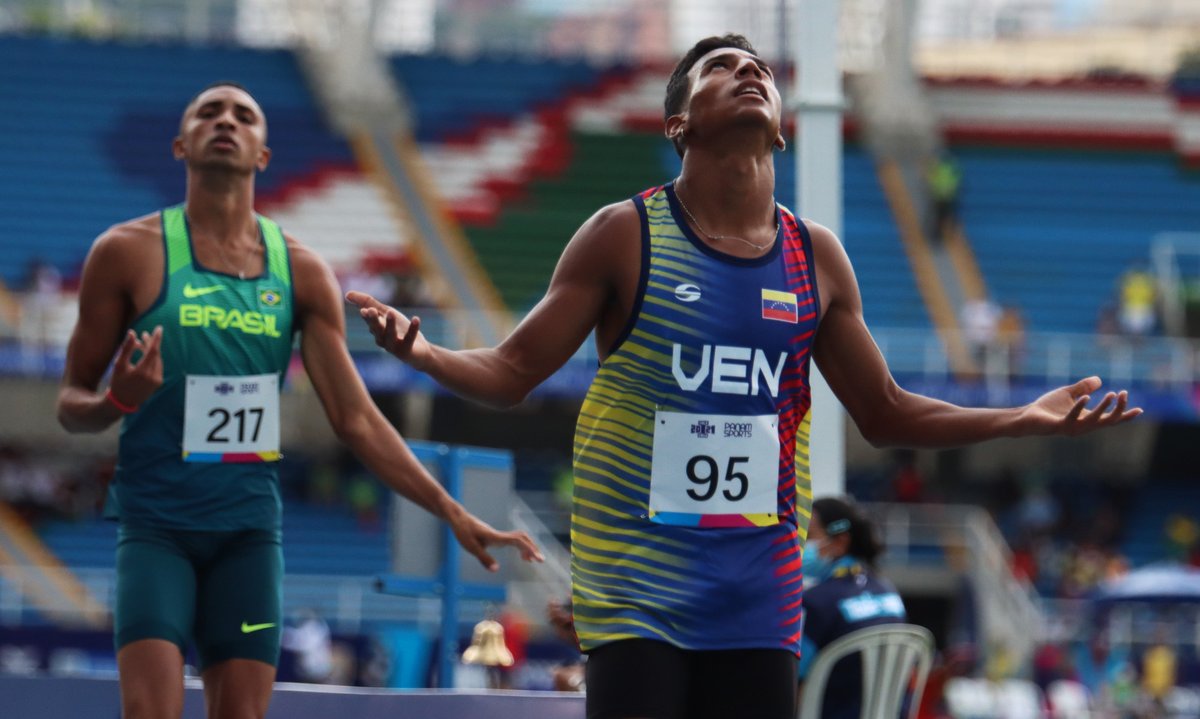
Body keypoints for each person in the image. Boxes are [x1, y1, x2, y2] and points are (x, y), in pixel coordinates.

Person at [348, 34, 1141, 719]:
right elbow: (511, 371)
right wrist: (424, 355)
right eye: (722, 68)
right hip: (636, 589)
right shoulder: (625, 235)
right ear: (679, 124)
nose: (749, 71)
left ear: (783, 130)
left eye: (758, 67)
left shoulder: (815, 257)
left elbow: (885, 410)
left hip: (760, 594)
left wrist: (1021, 416)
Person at [55, 81, 541, 719]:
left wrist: (451, 510)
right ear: (180, 145)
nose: (226, 121)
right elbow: (70, 403)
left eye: (244, 115)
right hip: (156, 530)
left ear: (263, 154)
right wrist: (116, 402)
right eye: (209, 112)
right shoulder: (126, 253)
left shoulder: (301, 271)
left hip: (248, 538)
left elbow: (356, 418)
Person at [797, 497, 906, 719]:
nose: (800, 546)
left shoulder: (815, 603)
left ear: (839, 542)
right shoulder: (888, 592)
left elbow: (792, 680)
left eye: (808, 536)